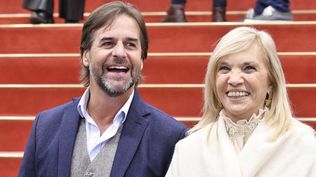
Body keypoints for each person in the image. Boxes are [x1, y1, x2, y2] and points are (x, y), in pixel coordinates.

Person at [18, 1, 187, 177]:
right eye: (108, 43)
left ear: (142, 59)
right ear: (86, 56)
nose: (120, 53)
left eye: (130, 44)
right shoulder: (45, 127)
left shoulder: (171, 138)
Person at [165, 26, 316, 177]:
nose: (234, 79)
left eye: (248, 68)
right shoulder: (188, 148)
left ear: (271, 82)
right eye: (224, 68)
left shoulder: (303, 144)